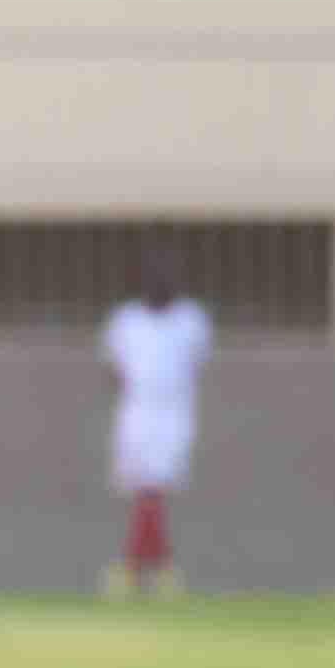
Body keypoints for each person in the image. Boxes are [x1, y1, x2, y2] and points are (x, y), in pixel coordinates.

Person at [99, 256, 213, 600]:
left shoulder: (192, 320)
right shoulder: (125, 320)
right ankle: (158, 569)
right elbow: (113, 366)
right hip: (137, 410)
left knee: (154, 490)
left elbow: (197, 362)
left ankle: (133, 568)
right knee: (143, 490)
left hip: (174, 411)